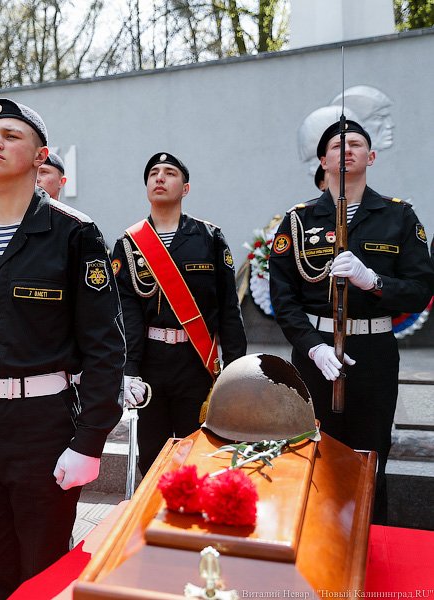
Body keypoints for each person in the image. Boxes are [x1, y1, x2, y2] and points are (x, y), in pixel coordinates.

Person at [0, 98, 124, 600]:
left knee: (42, 568)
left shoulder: (73, 233)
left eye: (11, 135)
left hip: (43, 424)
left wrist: (90, 440)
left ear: (41, 156)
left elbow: (105, 346)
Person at [269, 119, 434, 524]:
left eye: (356, 143)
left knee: (371, 453)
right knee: (312, 450)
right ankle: (314, 547)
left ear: (371, 157)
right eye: (337, 145)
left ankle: (368, 542)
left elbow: (419, 288)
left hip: (373, 352)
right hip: (316, 353)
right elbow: (283, 299)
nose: (347, 150)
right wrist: (312, 345)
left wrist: (373, 281)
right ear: (322, 159)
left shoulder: (398, 217)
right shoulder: (298, 221)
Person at [111, 152, 247, 475]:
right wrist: (128, 370)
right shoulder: (129, 244)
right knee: (153, 460)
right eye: (153, 173)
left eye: (169, 172)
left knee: (199, 456)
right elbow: (126, 314)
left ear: (185, 188)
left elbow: (229, 309)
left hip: (197, 363)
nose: (160, 178)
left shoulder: (209, 238)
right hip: (151, 366)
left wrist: (236, 370)